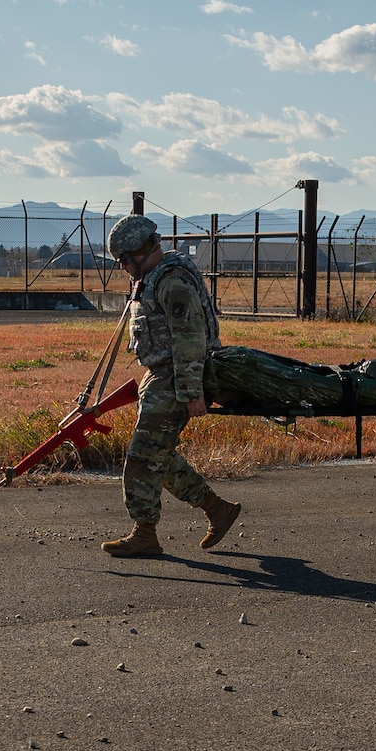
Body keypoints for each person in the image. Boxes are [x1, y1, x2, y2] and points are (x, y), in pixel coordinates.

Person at [100, 214, 243, 557]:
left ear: (140, 250)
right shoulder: (153, 277)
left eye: (123, 259)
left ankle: (145, 533)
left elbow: (190, 338)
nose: (122, 267)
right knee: (157, 455)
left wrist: (192, 393)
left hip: (176, 378)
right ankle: (217, 509)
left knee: (142, 457)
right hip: (162, 376)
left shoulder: (171, 280)